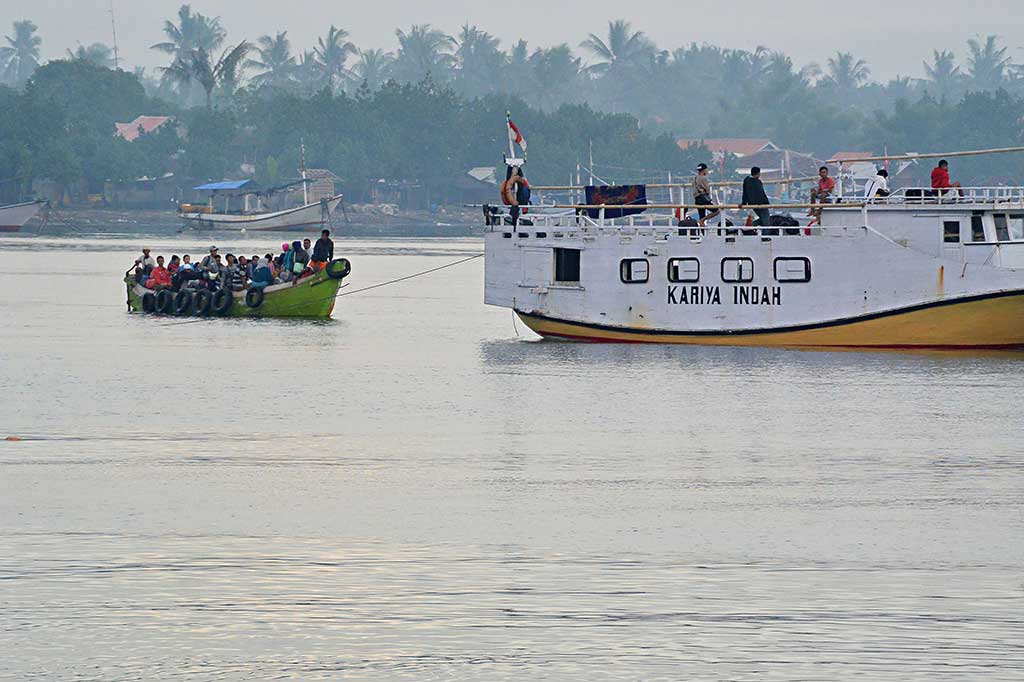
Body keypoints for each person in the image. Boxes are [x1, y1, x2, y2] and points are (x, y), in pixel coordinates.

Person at [692, 163, 719, 227]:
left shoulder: (695, 178)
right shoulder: (703, 178)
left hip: (697, 200)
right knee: (716, 211)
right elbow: (708, 190)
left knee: (701, 216)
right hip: (703, 200)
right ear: (704, 170)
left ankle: (703, 235)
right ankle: (703, 220)